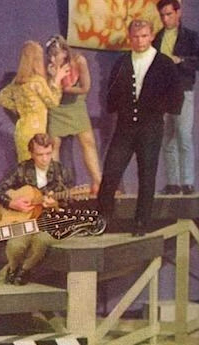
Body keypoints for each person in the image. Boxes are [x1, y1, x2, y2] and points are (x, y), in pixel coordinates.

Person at [97, 19, 183, 236]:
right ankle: (101, 220)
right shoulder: (122, 62)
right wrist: (120, 108)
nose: (140, 41)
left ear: (152, 36)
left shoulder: (164, 63)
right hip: (125, 127)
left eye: (144, 36)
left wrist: (157, 109)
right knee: (111, 172)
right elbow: (112, 92)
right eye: (135, 37)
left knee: (146, 175)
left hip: (150, 127)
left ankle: (141, 223)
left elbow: (176, 95)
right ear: (130, 38)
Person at [0, 133, 72, 285]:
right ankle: (13, 268)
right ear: (32, 153)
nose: (45, 159)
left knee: (40, 242)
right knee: (16, 245)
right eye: (40, 154)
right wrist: (12, 203)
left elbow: (69, 205)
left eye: (48, 153)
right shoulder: (22, 169)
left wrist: (55, 205)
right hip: (26, 220)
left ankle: (25, 270)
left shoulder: (61, 172)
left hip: (49, 222)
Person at [45, 35, 102, 195]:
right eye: (50, 55)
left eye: (56, 54)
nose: (53, 58)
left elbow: (85, 87)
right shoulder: (48, 66)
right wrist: (55, 78)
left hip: (76, 104)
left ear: (65, 51)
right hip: (57, 105)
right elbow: (49, 92)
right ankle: (55, 185)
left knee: (88, 141)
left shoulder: (79, 61)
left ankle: (97, 181)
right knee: (54, 145)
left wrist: (66, 88)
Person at [0, 40, 68, 161]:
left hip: (21, 129)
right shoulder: (37, 81)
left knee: (24, 165)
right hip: (36, 130)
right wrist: (57, 80)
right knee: (35, 167)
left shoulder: (17, 81)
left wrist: (19, 107)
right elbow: (53, 102)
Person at [153, 0, 199, 196]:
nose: (165, 19)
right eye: (162, 15)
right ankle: (173, 183)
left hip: (182, 90)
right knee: (167, 138)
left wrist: (180, 60)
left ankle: (187, 182)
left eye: (169, 14)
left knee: (183, 136)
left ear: (178, 12)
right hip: (163, 92)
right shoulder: (158, 37)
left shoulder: (190, 36)